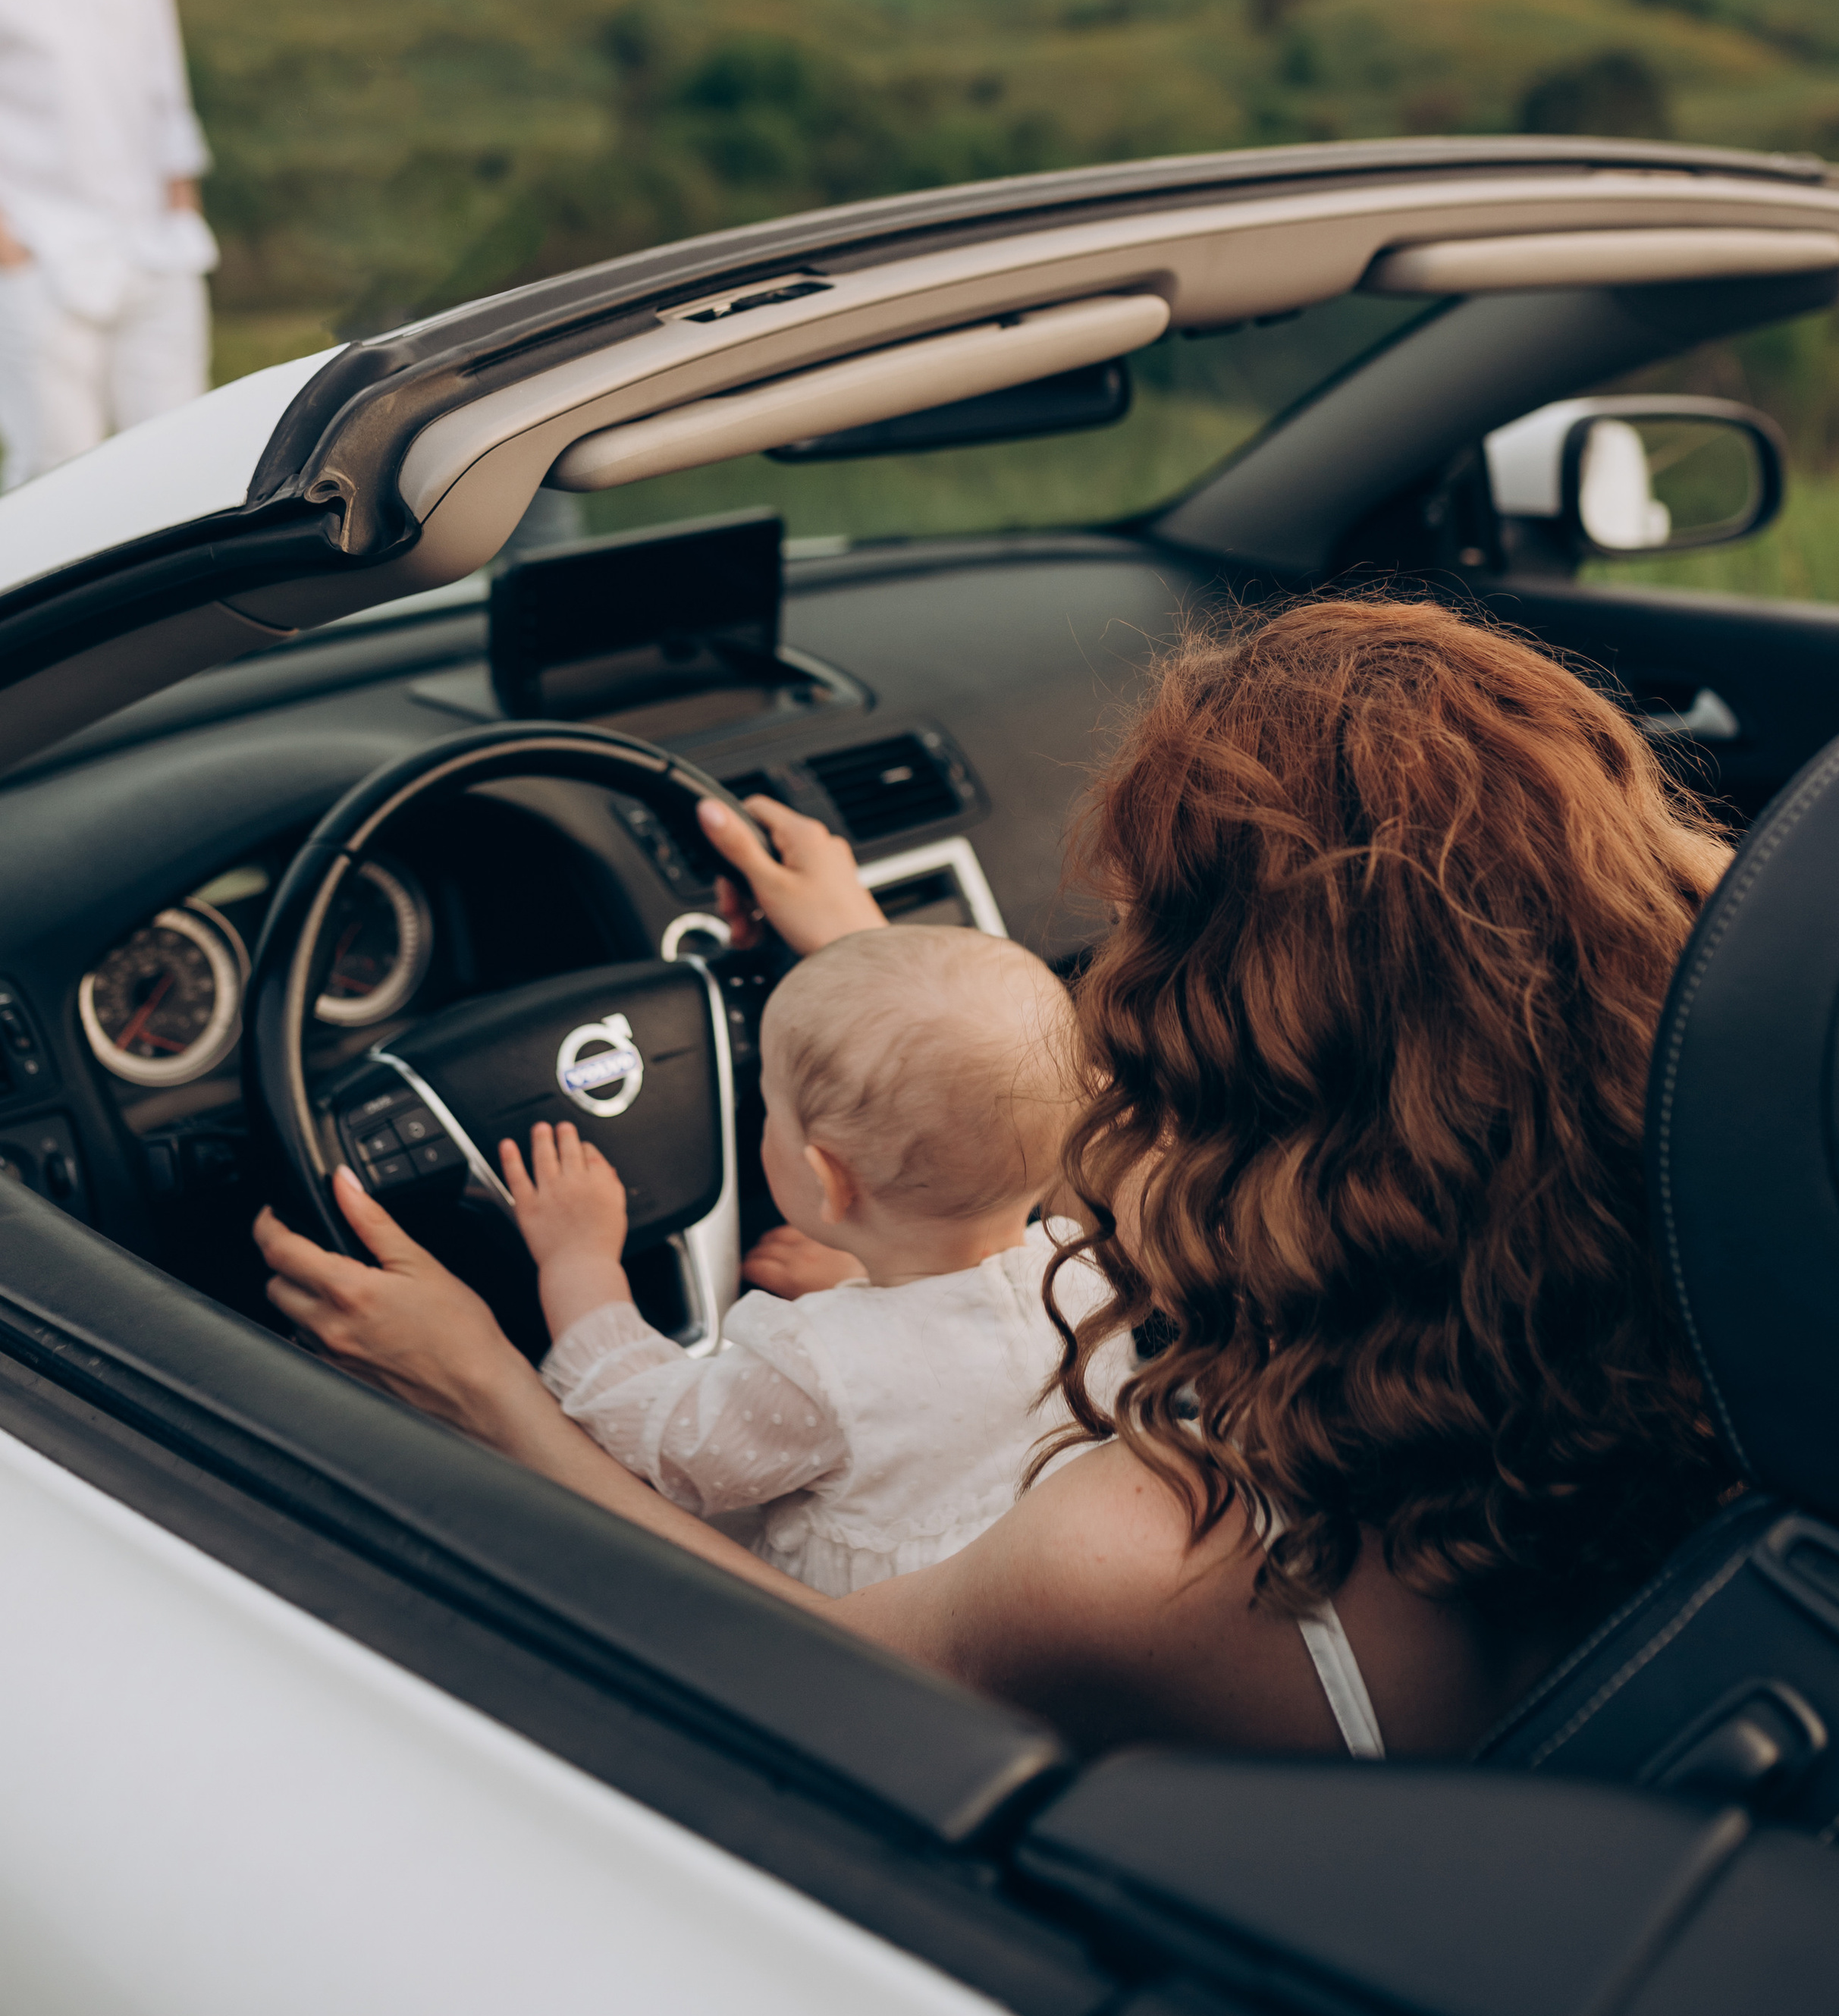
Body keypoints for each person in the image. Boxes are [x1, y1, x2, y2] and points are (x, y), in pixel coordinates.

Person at [257, 595, 1737, 1762]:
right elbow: (1058, 1172)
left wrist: (482, 1386)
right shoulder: (1692, 1237)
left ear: (1259, 1074)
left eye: (1132, 955)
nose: (1105, 1003)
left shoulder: (1149, 1554)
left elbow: (770, 1645)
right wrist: (863, 969)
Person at [504, 926, 1128, 1594]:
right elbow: (964, 1345)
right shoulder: (1086, 1276)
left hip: (850, 1635)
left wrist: (580, 1261)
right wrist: (862, 1286)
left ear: (826, 1179)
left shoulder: (817, 1370)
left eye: (769, 1105)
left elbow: (659, 1442)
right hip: (1018, 1589)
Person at [0, 0, 216, 489]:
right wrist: (11, 256)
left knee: (182, 482)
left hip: (153, 250)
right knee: (57, 490)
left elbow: (165, 82)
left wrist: (179, 213)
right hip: (37, 264)